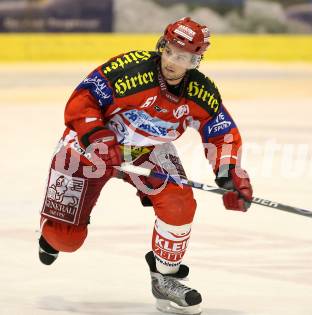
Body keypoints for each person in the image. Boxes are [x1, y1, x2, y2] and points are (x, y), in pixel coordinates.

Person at [38, 17, 253, 315]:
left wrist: (230, 173)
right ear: (161, 46)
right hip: (91, 146)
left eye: (184, 57)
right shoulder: (130, 71)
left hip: (146, 150)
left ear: (196, 60)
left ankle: (165, 279)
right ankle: (51, 234)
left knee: (179, 201)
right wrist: (97, 136)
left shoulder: (200, 93)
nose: (173, 61)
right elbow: (84, 97)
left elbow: (221, 132)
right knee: (64, 240)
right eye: (170, 51)